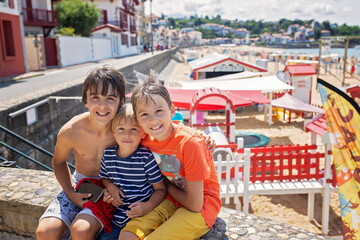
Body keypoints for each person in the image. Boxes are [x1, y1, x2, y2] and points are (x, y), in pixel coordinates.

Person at [119, 81, 221, 240]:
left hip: (201, 205)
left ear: (172, 110)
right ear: (137, 119)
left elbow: (195, 204)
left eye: (159, 110)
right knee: (127, 235)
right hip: (171, 200)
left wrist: (166, 186)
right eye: (144, 114)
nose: (153, 120)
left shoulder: (190, 144)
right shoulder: (146, 139)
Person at [36, 66, 126, 240]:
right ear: (85, 101)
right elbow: (58, 162)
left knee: (82, 230)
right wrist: (70, 192)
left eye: (110, 98)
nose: (102, 105)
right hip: (80, 183)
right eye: (95, 98)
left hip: (109, 191)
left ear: (121, 101)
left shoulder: (125, 130)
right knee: (45, 231)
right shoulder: (71, 130)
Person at [97, 103, 166, 239]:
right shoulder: (108, 154)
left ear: (143, 133)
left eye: (133, 129)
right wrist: (111, 187)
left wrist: (148, 206)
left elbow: (161, 189)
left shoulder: (145, 158)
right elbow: (105, 178)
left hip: (141, 218)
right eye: (121, 129)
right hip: (116, 219)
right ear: (114, 132)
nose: (127, 134)